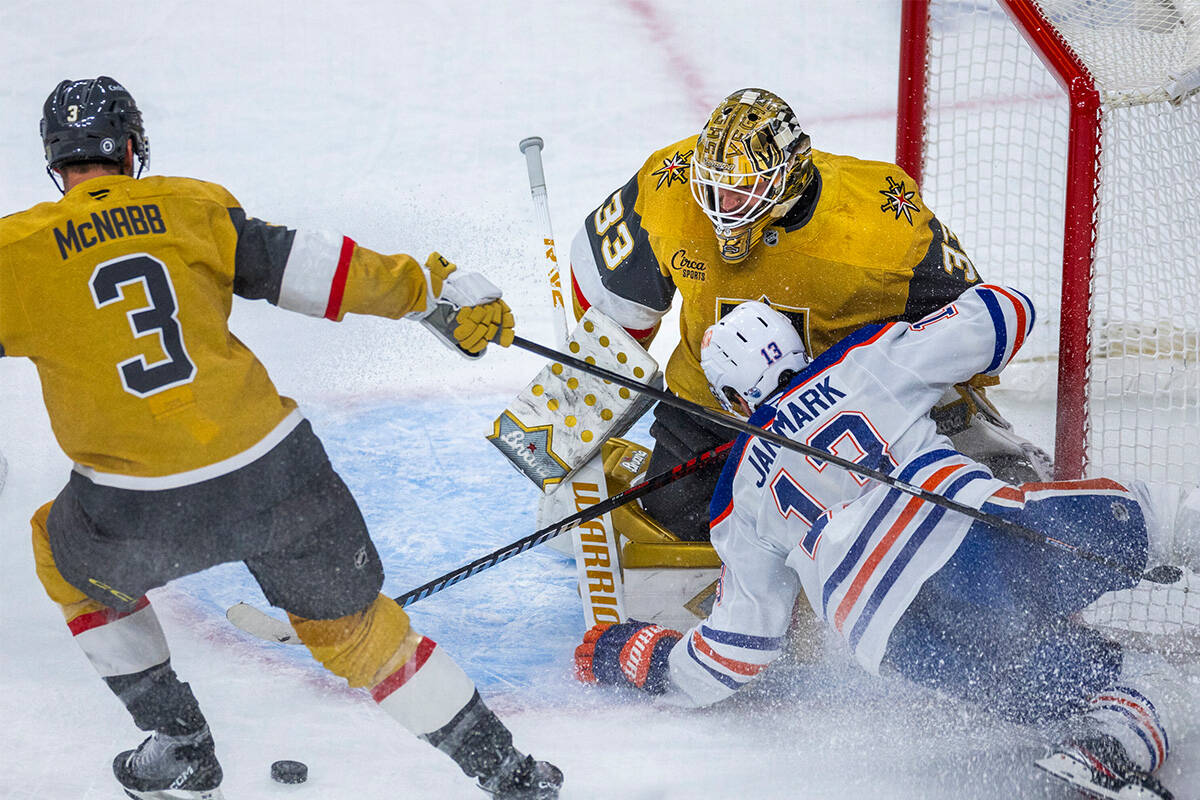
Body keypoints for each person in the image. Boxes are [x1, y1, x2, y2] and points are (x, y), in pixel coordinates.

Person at [0, 76, 561, 800]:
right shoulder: (190, 205)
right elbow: (318, 270)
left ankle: (181, 743)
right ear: (133, 148)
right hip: (275, 471)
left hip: (134, 508)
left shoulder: (15, 253)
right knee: (360, 633)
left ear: (56, 163)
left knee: (60, 554)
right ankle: (508, 774)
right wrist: (427, 295)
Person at [574, 288, 1199, 799]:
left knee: (1100, 683)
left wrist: (632, 655)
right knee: (1155, 516)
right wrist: (932, 313)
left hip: (899, 641)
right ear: (796, 344)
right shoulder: (865, 359)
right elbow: (1011, 312)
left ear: (732, 400)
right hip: (980, 544)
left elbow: (734, 657)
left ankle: (1104, 750)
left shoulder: (737, 499)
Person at [568, 87, 1050, 543]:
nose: (721, 207)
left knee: (979, 508)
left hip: (859, 414)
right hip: (711, 412)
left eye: (741, 190)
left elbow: (963, 327)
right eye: (712, 189)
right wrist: (576, 416)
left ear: (791, 174)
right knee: (683, 519)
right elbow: (612, 304)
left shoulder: (881, 220)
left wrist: (943, 414)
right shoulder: (668, 185)